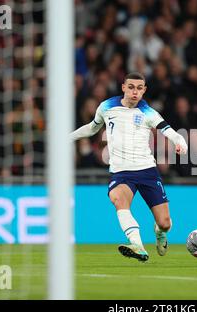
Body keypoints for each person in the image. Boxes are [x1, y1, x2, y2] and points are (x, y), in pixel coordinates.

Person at [70, 72, 188, 262]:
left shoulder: (147, 112)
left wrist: (180, 141)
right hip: (121, 172)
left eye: (139, 88)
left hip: (147, 171)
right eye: (131, 87)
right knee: (118, 199)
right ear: (123, 87)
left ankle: (159, 232)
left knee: (165, 223)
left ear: (144, 90)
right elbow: (92, 127)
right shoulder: (107, 106)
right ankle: (138, 246)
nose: (135, 92)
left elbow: (169, 131)